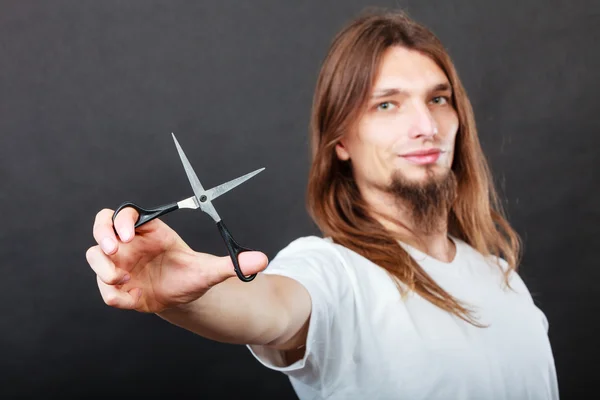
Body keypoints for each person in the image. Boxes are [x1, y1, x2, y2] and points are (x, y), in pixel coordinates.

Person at [86, 8, 559, 400]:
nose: (426, 126)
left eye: (438, 99)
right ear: (341, 141)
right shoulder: (333, 271)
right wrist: (185, 296)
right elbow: (270, 307)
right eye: (387, 105)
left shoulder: (504, 280)